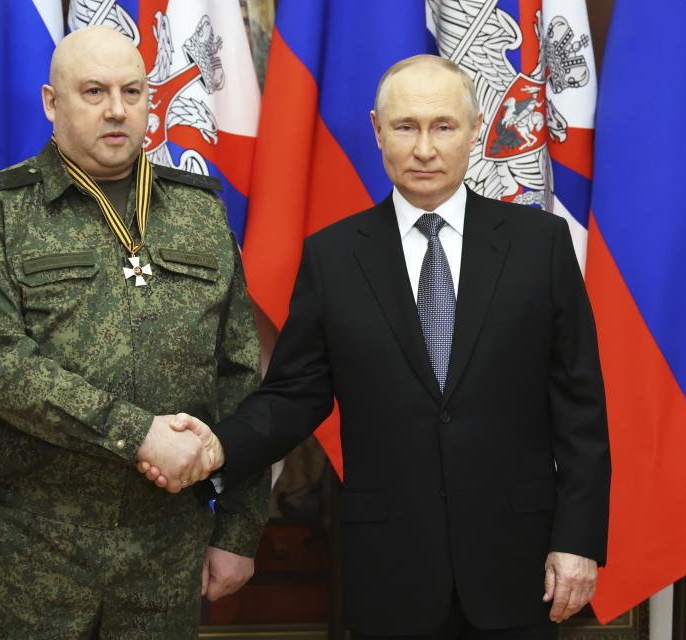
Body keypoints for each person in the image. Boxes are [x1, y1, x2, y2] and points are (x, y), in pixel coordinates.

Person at [139, 55, 610, 639]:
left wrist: (579, 541)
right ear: (377, 131)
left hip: (519, 565)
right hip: (391, 572)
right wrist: (217, 447)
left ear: (474, 129)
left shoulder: (540, 246)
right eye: (406, 126)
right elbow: (293, 397)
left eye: (443, 126)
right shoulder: (333, 258)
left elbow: (581, 408)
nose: (425, 148)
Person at [0, 26, 268, 639]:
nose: (117, 109)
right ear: (50, 103)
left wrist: (240, 529)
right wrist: (137, 433)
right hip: (31, 550)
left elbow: (239, 377)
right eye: (93, 91)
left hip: (166, 550)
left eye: (132, 91)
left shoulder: (198, 210)